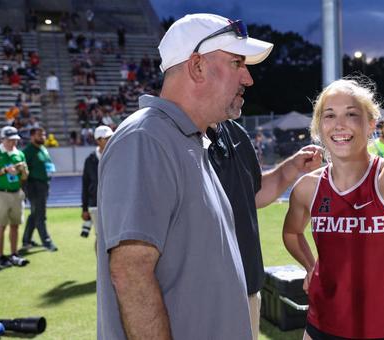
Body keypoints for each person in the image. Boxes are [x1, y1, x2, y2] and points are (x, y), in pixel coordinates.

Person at [96, 13, 273, 339]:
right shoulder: (146, 139)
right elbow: (131, 273)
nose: (247, 78)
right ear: (197, 66)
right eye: (237, 63)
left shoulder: (189, 140)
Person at [282, 41, 384, 339]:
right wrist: (310, 265)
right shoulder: (308, 187)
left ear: (372, 124)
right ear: (318, 127)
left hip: (381, 332)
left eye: (352, 114)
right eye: (329, 115)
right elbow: (292, 232)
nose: (339, 124)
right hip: (319, 328)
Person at [207, 121, 322, 340]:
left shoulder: (234, 131)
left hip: (248, 288)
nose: (247, 84)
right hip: (202, 296)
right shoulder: (170, 136)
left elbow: (253, 194)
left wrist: (291, 167)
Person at [0, 127, 29, 268]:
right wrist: (4, 170)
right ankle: (0, 257)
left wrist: (23, 171)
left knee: (15, 225)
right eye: (10, 140)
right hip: (2, 193)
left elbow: (25, 177)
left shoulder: (19, 154)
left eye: (15, 140)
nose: (13, 143)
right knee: (1, 226)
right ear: (2, 139)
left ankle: (14, 254)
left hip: (17, 192)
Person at [21, 127, 57, 251]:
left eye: (44, 134)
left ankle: (26, 240)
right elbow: (23, 172)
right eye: (39, 135)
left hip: (44, 184)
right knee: (40, 215)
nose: (43, 137)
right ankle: (46, 241)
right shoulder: (28, 151)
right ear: (32, 137)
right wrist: (24, 190)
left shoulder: (43, 149)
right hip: (34, 186)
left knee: (34, 214)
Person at [80, 126, 113, 238]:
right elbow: (85, 184)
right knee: (99, 237)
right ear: (98, 140)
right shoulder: (90, 160)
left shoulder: (117, 156)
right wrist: (84, 208)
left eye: (111, 137)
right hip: (95, 204)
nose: (110, 140)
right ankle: (100, 257)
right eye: (107, 138)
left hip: (115, 204)